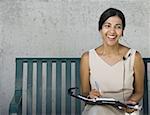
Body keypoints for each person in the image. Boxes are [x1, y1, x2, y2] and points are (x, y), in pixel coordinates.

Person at [80, 8, 145, 115]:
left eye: (118, 27)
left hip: (125, 110)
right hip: (97, 109)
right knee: (96, 111)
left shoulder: (134, 57)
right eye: (107, 26)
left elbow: (139, 92)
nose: (112, 31)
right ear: (100, 29)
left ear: (123, 31)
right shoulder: (87, 57)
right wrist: (90, 95)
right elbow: (85, 92)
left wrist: (132, 102)